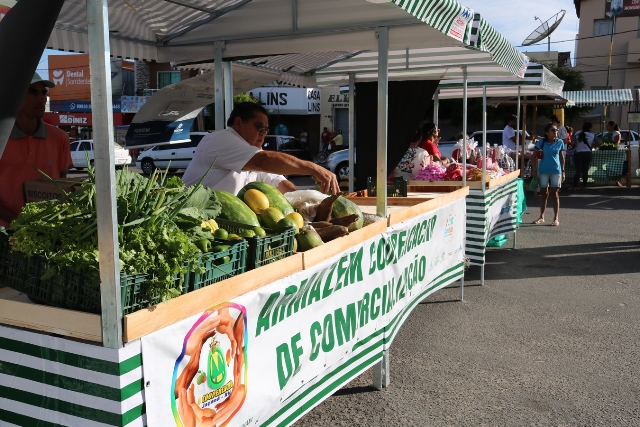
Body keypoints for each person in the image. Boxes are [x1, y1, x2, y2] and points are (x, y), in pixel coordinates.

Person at [183, 102, 339, 195]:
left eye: (266, 130)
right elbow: (264, 161)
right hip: (191, 223)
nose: (263, 134)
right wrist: (314, 168)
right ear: (238, 123)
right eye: (259, 127)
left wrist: (305, 202)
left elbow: (280, 183)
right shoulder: (220, 139)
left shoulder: (248, 154)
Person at [0, 73, 72, 228]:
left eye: (43, 92)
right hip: (4, 234)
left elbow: (63, 186)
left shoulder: (60, 138)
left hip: (47, 232)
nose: (42, 98)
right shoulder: (1, 136)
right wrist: (20, 222)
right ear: (15, 96)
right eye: (32, 91)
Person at [532, 123, 565, 226]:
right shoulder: (541, 142)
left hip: (556, 170)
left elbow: (562, 157)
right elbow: (534, 156)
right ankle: (541, 216)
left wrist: (563, 171)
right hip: (543, 170)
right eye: (553, 130)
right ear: (547, 133)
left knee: (555, 194)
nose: (556, 132)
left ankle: (556, 218)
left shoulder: (560, 142)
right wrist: (534, 169)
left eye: (556, 130)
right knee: (544, 193)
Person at [571, 122, 595, 190]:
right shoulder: (592, 135)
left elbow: (572, 143)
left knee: (578, 170)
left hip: (578, 153)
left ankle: (574, 186)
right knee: (585, 170)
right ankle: (584, 186)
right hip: (588, 153)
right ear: (590, 128)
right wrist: (592, 145)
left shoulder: (577, 133)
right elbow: (600, 142)